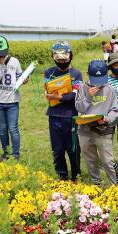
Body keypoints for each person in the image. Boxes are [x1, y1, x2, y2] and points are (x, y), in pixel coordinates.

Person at [75, 60, 118, 185]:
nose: (99, 83)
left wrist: (106, 118)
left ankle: (116, 186)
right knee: (90, 160)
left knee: (107, 161)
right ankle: (96, 184)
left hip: (103, 130)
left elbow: (115, 110)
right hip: (84, 130)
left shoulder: (109, 89)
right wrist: (88, 96)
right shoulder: (82, 88)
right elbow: (79, 108)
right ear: (88, 74)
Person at [44, 41, 82, 181]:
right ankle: (62, 176)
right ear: (53, 57)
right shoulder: (49, 72)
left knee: (73, 148)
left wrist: (58, 96)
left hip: (71, 116)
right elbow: (47, 91)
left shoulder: (76, 73)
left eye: (64, 59)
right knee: (58, 149)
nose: (61, 62)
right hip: (53, 116)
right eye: (58, 59)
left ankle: (76, 175)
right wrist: (54, 96)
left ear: (70, 56)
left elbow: (75, 95)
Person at [0, 35, 28, 160]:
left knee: (13, 129)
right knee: (2, 129)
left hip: (12, 101)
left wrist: (24, 79)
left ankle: (15, 155)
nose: (0, 57)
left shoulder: (15, 61)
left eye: (2, 54)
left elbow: (20, 76)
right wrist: (1, 66)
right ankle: (6, 153)